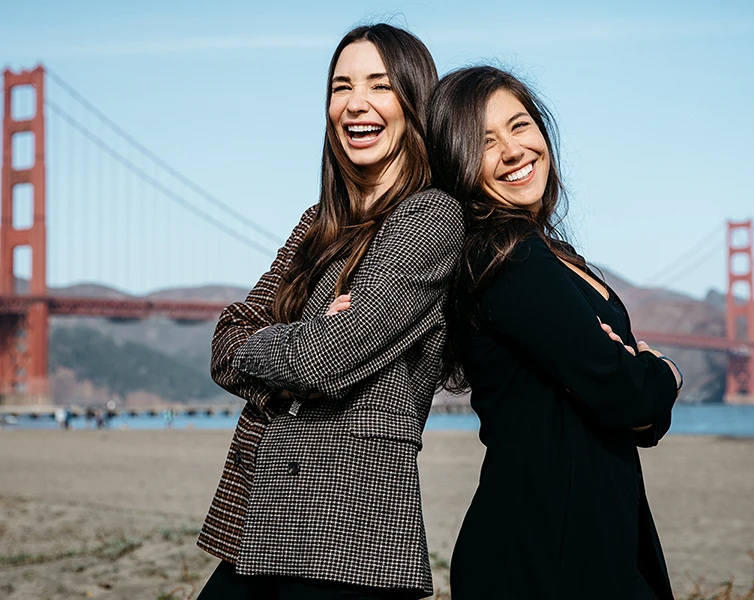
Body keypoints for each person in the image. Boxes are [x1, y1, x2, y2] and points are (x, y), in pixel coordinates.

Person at [196, 24, 464, 600]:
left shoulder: (430, 219)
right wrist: (302, 338)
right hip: (261, 523)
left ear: (413, 103)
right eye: (341, 87)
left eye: (379, 86)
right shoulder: (314, 226)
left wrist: (288, 345)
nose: (355, 104)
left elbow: (326, 361)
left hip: (355, 539)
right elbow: (224, 342)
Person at [427, 66, 684, 599]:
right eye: (484, 143)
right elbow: (626, 395)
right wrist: (666, 373)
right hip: (543, 553)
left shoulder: (549, 253)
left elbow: (637, 418)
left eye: (520, 126)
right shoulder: (506, 256)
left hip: (583, 539)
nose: (513, 150)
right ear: (458, 164)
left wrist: (631, 386)